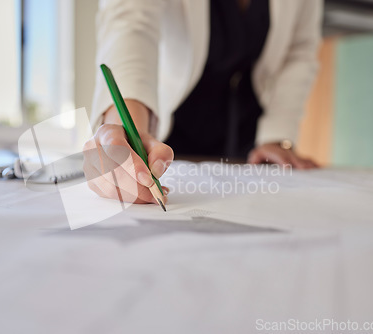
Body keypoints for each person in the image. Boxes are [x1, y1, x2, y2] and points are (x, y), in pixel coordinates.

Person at [83, 0, 323, 204]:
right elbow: (131, 22)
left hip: (251, 138)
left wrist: (277, 135)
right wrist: (124, 129)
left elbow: (298, 49)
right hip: (169, 132)